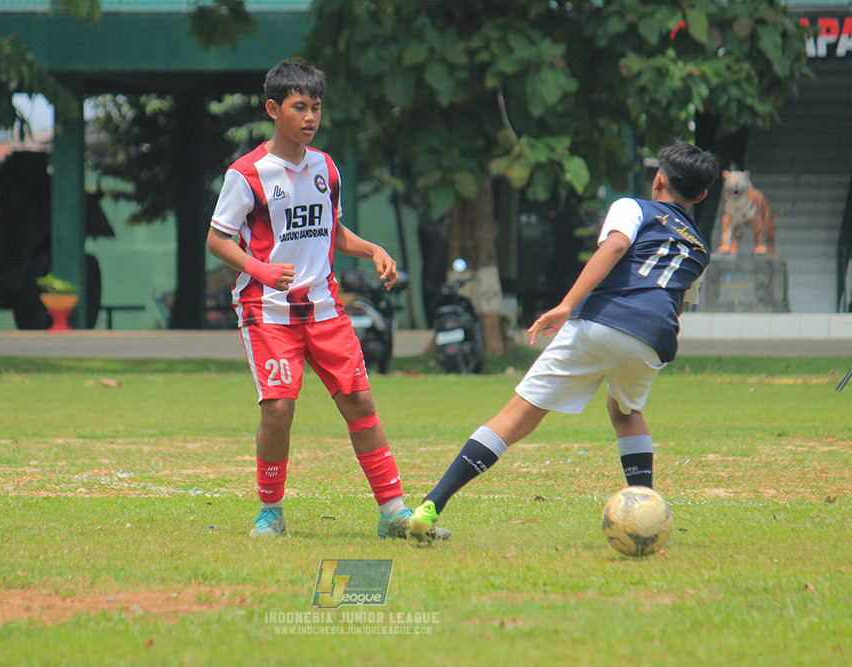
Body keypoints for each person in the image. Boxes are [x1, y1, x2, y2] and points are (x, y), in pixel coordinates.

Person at [407, 141, 721, 545]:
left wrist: (566, 305)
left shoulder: (634, 207)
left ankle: (430, 506)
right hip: (654, 335)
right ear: (701, 195)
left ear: (658, 180)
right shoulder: (699, 247)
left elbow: (617, 245)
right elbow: (676, 304)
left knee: (517, 415)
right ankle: (647, 513)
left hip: (603, 320)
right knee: (625, 411)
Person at [207, 59, 448, 541]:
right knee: (278, 409)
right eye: (300, 107)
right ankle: (270, 512)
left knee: (360, 401)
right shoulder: (247, 174)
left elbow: (330, 230)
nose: (310, 117)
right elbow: (217, 240)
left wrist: (372, 248)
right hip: (267, 311)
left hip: (326, 308)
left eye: (316, 107)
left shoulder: (326, 167)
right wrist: (259, 270)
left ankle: (394, 513)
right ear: (274, 109)